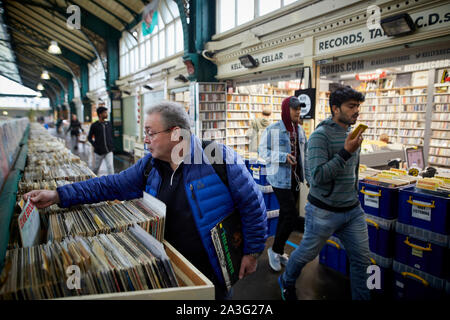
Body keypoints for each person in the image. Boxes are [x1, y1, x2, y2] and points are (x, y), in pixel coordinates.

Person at [23, 101, 268, 300]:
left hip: (214, 267)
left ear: (175, 134)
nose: (145, 140)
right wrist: (59, 194)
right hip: (168, 265)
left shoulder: (218, 158)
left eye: (151, 133)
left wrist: (252, 252)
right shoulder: (150, 165)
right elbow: (111, 184)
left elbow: (253, 204)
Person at [278, 86, 371, 300]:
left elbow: (351, 171)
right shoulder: (320, 136)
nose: (356, 110)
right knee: (306, 254)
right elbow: (318, 177)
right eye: (351, 106)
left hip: (352, 211)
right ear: (335, 109)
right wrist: (346, 153)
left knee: (363, 260)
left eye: (358, 106)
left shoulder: (352, 133)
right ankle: (287, 280)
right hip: (323, 211)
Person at [258, 96, 307, 272]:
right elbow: (262, 151)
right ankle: (274, 250)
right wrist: (282, 157)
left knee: (287, 215)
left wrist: (307, 176)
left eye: (299, 109)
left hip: (295, 180)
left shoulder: (300, 130)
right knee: (291, 215)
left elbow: (304, 154)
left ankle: (277, 250)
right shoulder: (273, 129)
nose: (298, 112)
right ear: (286, 110)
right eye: (294, 109)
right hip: (279, 179)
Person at [88, 107, 114, 175]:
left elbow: (111, 134)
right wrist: (96, 146)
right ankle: (93, 181)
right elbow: (89, 138)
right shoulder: (94, 125)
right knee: (96, 168)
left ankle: (113, 183)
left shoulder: (108, 124)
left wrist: (111, 144)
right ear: (100, 114)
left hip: (109, 150)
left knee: (110, 167)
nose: (106, 114)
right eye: (105, 113)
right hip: (99, 152)